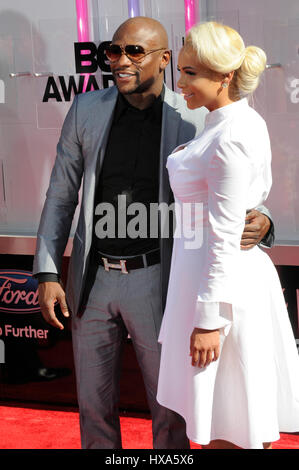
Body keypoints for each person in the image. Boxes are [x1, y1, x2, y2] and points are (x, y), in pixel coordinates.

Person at [33, 17, 273, 449]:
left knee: (170, 409)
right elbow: (60, 196)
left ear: (165, 59)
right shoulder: (87, 109)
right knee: (92, 405)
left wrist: (265, 220)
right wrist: (48, 273)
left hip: (160, 277)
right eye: (113, 51)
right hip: (93, 278)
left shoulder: (196, 111)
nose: (120, 61)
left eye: (134, 52)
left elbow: (237, 175)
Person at [157, 21, 299, 450]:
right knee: (232, 419)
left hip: (224, 294)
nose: (180, 83)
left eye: (192, 73)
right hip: (214, 284)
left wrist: (208, 320)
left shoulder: (233, 132)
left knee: (232, 425)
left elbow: (223, 235)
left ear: (226, 75)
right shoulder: (223, 123)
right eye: (180, 71)